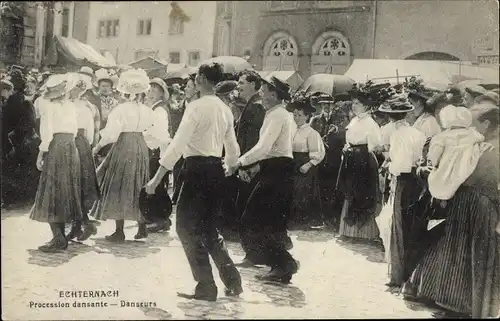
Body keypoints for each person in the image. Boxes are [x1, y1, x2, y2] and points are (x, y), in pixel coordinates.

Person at [145, 63, 242, 302]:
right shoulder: (224, 109)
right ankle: (233, 281)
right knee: (209, 230)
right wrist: (229, 168)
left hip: (196, 171)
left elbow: (178, 144)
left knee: (186, 229)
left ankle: (206, 286)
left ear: (200, 79)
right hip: (216, 170)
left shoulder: (196, 107)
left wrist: (157, 179)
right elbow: (232, 147)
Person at [402, 102, 500, 319]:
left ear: (486, 124)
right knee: (456, 251)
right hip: (467, 204)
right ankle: (449, 297)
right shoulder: (477, 142)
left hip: (475, 205)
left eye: (473, 124)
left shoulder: (489, 148)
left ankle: (458, 301)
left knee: (463, 253)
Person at [229, 76, 299, 283]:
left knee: (260, 218)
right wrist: (256, 166)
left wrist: (239, 163)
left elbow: (265, 147)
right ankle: (277, 264)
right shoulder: (275, 114)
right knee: (263, 218)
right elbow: (273, 151)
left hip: (278, 170)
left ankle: (284, 264)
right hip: (274, 168)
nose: (260, 92)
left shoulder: (278, 115)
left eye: (265, 89)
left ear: (274, 95)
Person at [91, 68, 155, 241]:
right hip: (140, 146)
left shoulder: (121, 109)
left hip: (124, 145)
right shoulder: (147, 110)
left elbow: (112, 132)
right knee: (138, 183)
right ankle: (142, 227)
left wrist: (98, 146)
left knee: (119, 184)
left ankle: (119, 231)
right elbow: (152, 131)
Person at [375, 94, 426, 287]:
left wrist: (389, 166)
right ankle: (408, 274)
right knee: (410, 225)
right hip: (416, 181)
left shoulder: (397, 135)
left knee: (397, 227)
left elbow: (400, 165)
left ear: (389, 117)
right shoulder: (417, 133)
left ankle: (397, 275)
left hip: (402, 181)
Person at [29, 75, 83, 252]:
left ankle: (58, 237)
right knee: (66, 189)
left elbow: (47, 134)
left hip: (57, 146)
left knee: (51, 189)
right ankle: (60, 235)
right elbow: (74, 130)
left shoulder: (49, 107)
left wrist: (40, 154)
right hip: (70, 146)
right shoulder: (71, 106)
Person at [337, 88, 382, 241]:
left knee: (363, 193)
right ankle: (349, 231)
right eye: (353, 103)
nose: (354, 106)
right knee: (350, 190)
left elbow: (375, 144)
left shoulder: (370, 122)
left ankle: (364, 233)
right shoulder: (354, 120)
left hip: (363, 159)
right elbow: (349, 139)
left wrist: (363, 152)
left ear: (366, 106)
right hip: (351, 157)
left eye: (358, 104)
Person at [427, 105, 491, 202]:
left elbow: (433, 159)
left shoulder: (440, 137)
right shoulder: (474, 135)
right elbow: (481, 140)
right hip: (466, 173)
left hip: (443, 177)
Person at [288, 93, 325, 229]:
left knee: (303, 192)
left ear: (307, 116)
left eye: (300, 115)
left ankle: (305, 221)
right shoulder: (293, 130)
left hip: (305, 164)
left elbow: (319, 152)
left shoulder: (311, 133)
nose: (297, 118)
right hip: (293, 162)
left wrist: (309, 164)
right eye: (295, 115)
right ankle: (293, 219)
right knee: (292, 191)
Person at [143, 77, 173, 233]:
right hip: (153, 150)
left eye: (155, 91)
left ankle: (161, 219)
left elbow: (159, 133)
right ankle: (155, 217)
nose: (151, 93)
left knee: (157, 185)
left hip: (157, 150)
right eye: (149, 90)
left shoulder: (160, 110)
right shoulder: (153, 108)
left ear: (162, 94)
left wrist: (144, 133)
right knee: (154, 184)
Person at [169, 75, 198, 204]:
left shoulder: (199, 107)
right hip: (180, 146)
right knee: (178, 171)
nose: (185, 89)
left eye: (189, 86)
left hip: (194, 149)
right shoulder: (180, 106)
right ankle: (176, 196)